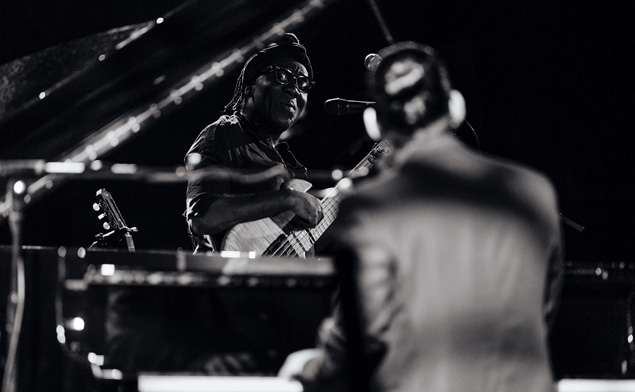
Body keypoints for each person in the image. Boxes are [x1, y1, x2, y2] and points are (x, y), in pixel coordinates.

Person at [278, 41, 565, 392]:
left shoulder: (371, 207)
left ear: (375, 124)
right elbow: (543, 313)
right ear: (455, 108)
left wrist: (307, 367)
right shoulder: (534, 190)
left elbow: (355, 342)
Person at [184, 32, 323, 255]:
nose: (294, 89)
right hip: (228, 282)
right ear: (250, 86)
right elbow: (203, 218)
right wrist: (286, 198)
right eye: (283, 76)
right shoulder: (224, 134)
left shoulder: (288, 163)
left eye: (303, 83)